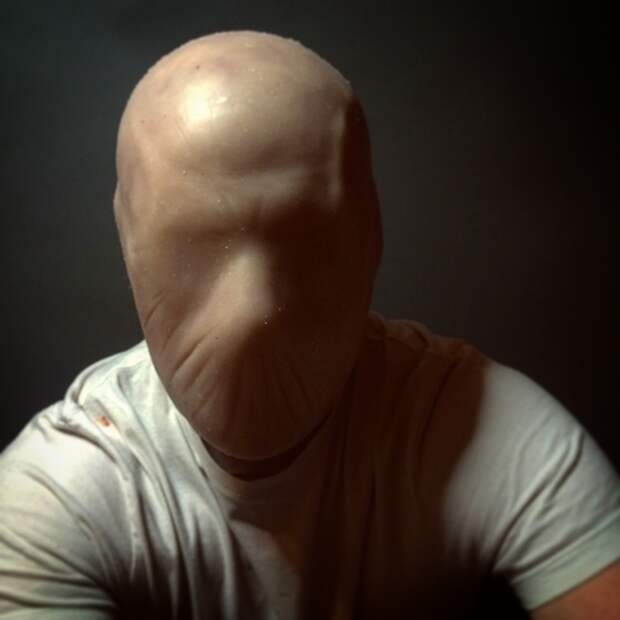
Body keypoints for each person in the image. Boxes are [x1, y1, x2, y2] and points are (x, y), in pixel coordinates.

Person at [0, 30, 618, 620]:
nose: (253, 315)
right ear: (128, 247)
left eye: (306, 239)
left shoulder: (475, 428)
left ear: (371, 236)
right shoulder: (58, 494)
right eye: (193, 246)